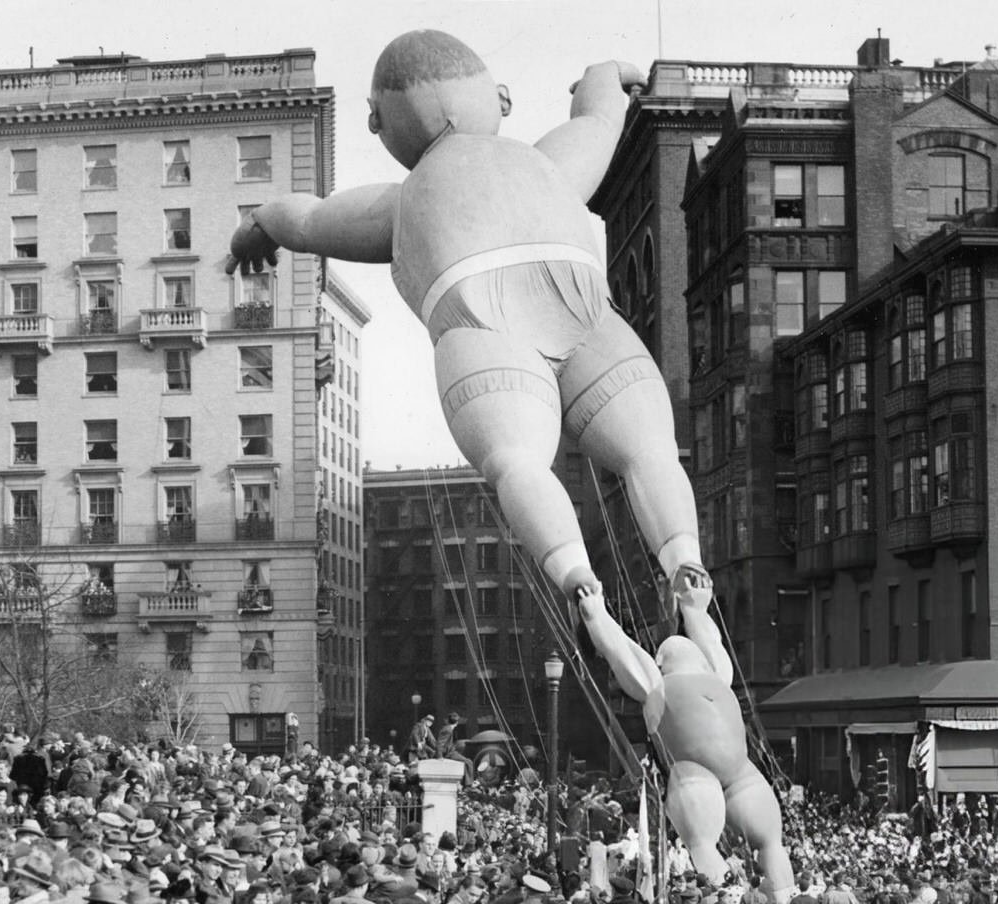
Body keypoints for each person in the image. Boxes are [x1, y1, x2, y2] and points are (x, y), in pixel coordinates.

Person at [225, 30, 707, 615]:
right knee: (651, 448)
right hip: (588, 318)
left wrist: (255, 228)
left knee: (516, 460)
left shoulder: (400, 201)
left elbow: (305, 219)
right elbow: (600, 115)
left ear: (378, 125)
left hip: (481, 330)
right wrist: (606, 74)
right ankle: (683, 555)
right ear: (501, 99)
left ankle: (580, 582)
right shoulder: (549, 162)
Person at [577, 577, 794, 902]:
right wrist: (695, 608)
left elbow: (619, 649)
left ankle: (721, 896)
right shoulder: (720, 676)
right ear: (702, 660)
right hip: (742, 772)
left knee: (702, 842)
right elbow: (713, 640)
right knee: (770, 841)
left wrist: (596, 614)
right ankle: (785, 895)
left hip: (695, 772)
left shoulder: (656, 682)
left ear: (660, 662)